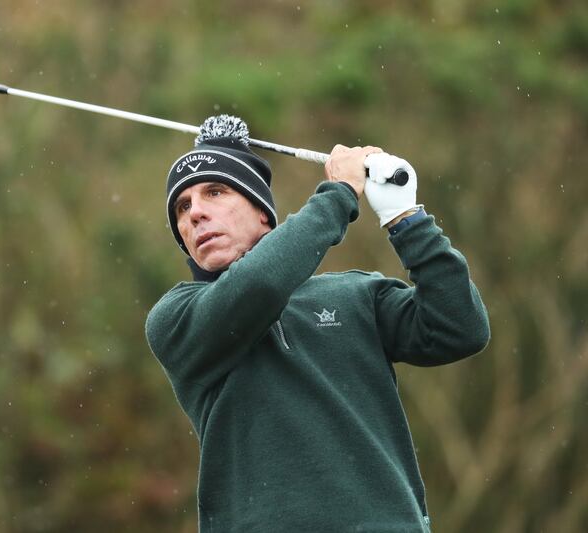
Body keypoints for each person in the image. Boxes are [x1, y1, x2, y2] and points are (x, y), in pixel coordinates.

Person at [145, 129, 490, 532]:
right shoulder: (176, 316)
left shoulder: (358, 294)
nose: (195, 214)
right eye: (182, 208)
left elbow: (460, 328)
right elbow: (259, 285)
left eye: (215, 192)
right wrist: (339, 193)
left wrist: (405, 218)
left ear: (262, 212)